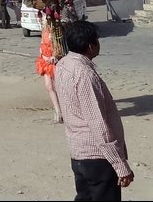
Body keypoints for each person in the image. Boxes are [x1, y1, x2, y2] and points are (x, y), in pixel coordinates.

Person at [54, 20, 134, 201]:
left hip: (79, 152)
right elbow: (97, 122)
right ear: (91, 46)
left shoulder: (63, 64)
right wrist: (120, 164)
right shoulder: (85, 74)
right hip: (97, 157)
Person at [36, 12, 64, 124]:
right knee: (49, 86)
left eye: (43, 18)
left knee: (58, 86)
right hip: (45, 60)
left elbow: (60, 47)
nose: (41, 20)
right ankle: (57, 111)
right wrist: (42, 55)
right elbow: (41, 44)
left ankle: (64, 110)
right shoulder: (44, 31)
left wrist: (54, 57)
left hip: (55, 61)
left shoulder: (55, 31)